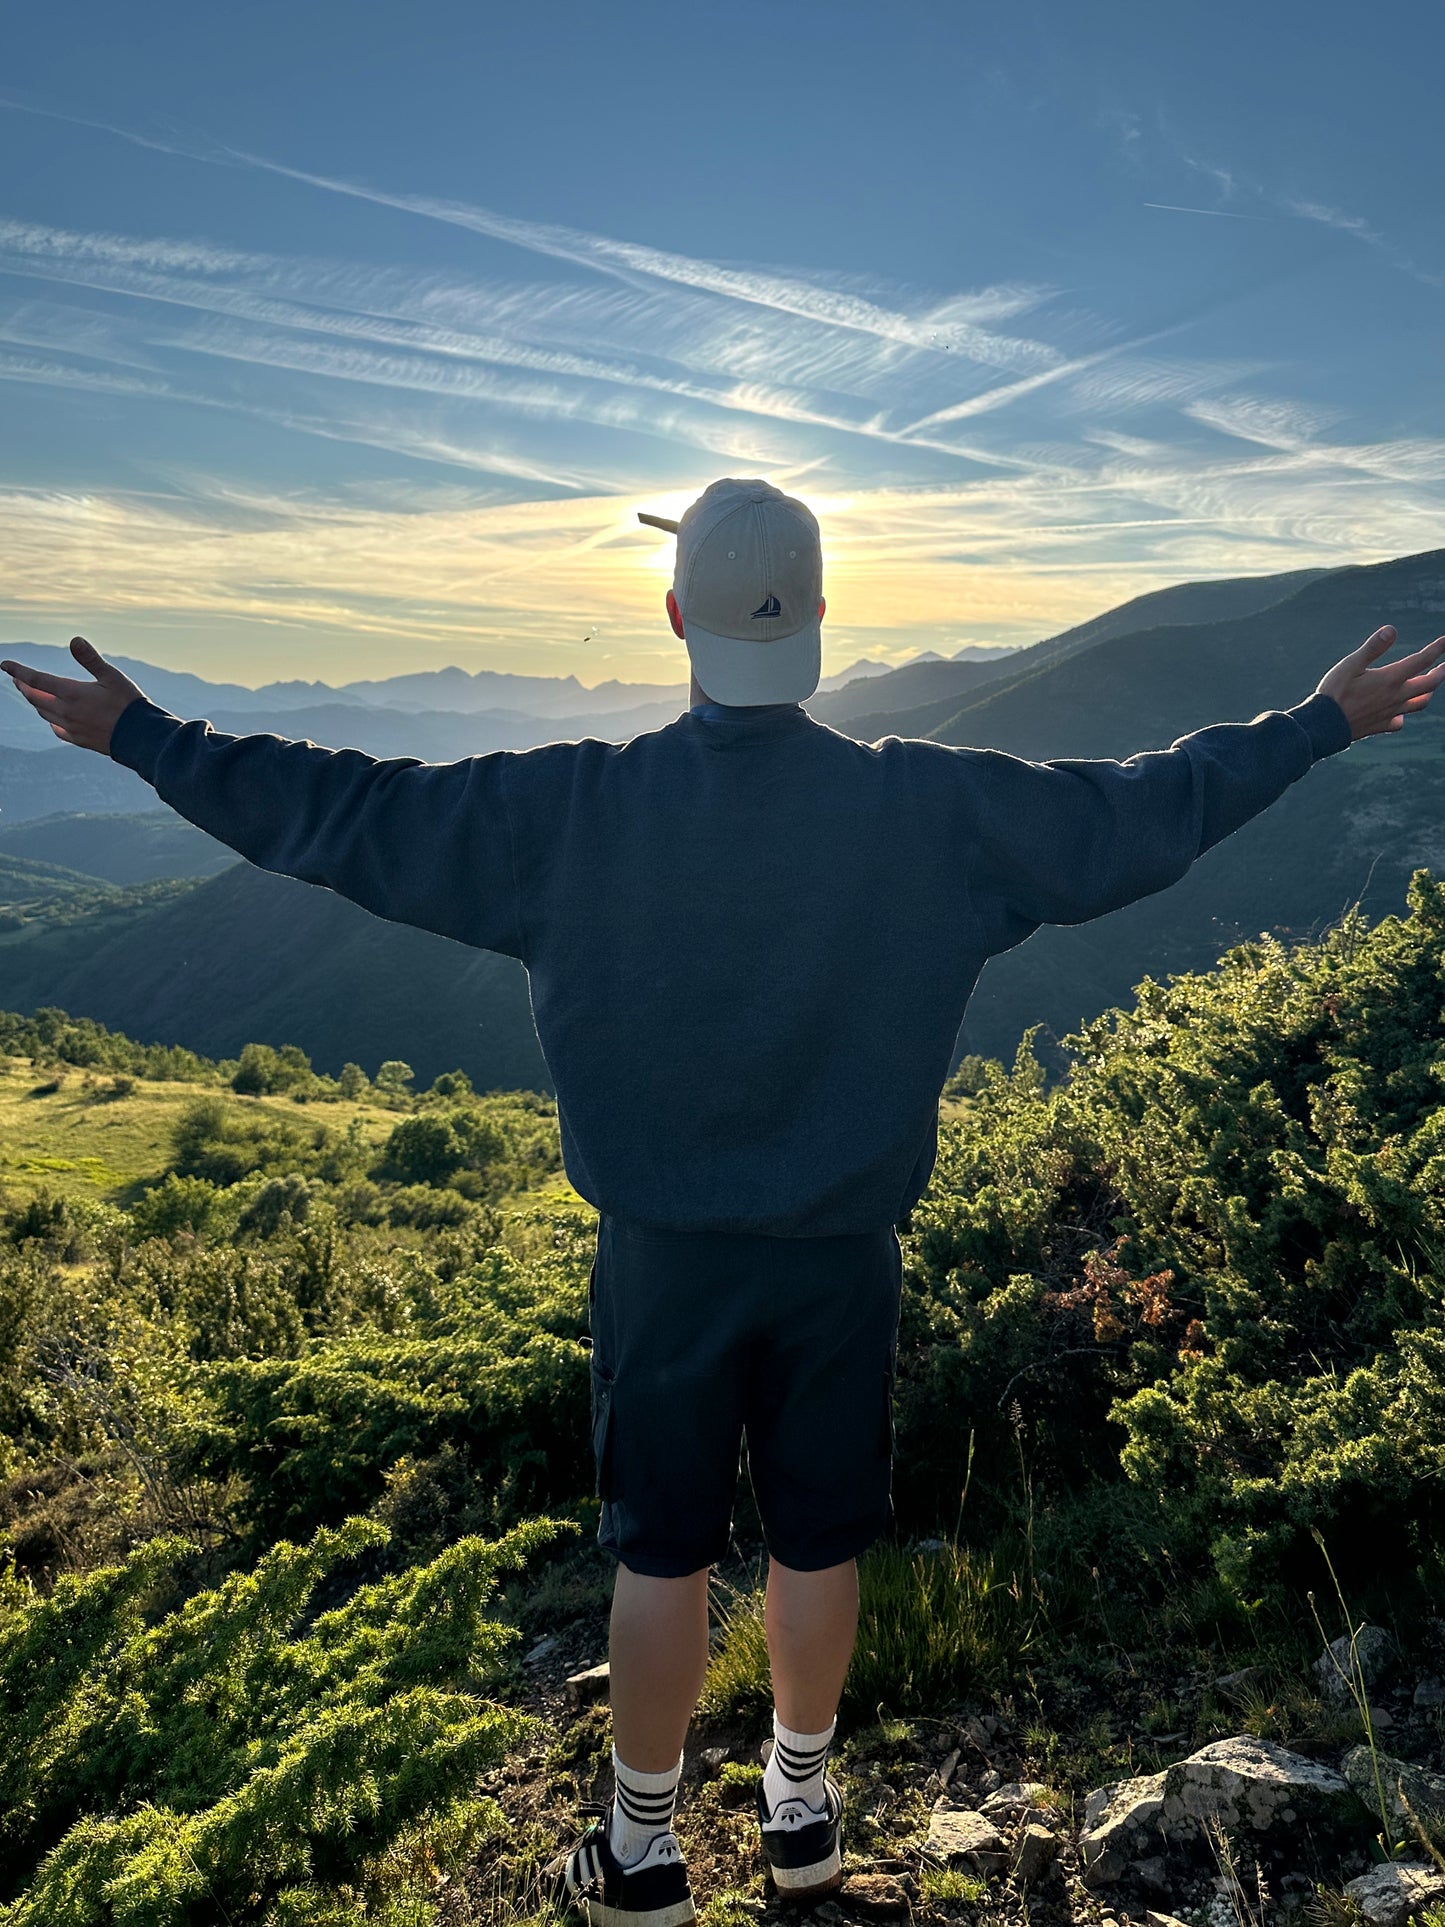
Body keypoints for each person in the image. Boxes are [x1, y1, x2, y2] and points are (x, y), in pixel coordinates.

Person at [5, 477, 1443, 1927]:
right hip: (842, 1256)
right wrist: (1317, 722)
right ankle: (802, 1817)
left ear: (675, 615)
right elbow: (1143, 805)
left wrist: (143, 735)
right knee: (819, 1537)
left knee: (662, 1547)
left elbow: (347, 811)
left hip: (662, 1262)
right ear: (819, 616)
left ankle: (639, 1854)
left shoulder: (568, 808)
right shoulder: (929, 809)